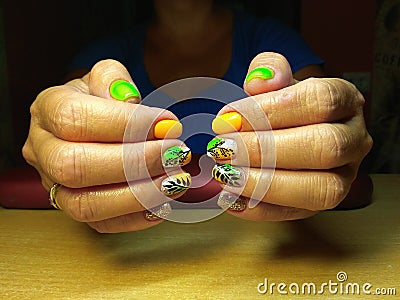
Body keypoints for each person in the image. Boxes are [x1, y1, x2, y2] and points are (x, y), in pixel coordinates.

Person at [22, 0, 372, 233]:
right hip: (137, 250)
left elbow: (322, 112)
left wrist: (324, 123)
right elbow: (67, 113)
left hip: (264, 242)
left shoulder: (271, 37)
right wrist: (61, 134)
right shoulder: (106, 51)